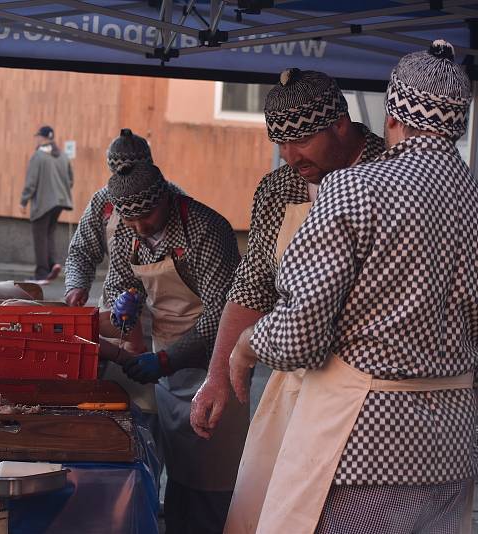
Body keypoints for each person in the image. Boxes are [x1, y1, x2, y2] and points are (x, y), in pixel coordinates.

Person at [226, 40, 476, 533]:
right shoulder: (471, 197)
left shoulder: (356, 187)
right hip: (454, 442)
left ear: (393, 119)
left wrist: (247, 343)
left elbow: (300, 335)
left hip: (366, 444)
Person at [187, 69, 384, 532]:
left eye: (302, 140)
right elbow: (252, 288)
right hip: (293, 386)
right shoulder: (278, 191)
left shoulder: (386, 172)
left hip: (369, 395)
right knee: (267, 515)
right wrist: (217, 376)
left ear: (340, 123)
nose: (290, 156)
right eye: (281, 142)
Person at [101, 161, 247, 533]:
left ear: (165, 197)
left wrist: (167, 359)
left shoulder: (206, 228)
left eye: (146, 216)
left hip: (217, 366)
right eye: (130, 220)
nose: (139, 227)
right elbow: (120, 280)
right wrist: (125, 301)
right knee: (180, 473)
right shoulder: (127, 232)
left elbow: (221, 315)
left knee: (212, 479)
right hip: (166, 367)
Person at [64, 128, 183, 307]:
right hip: (119, 303)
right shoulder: (102, 202)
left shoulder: (174, 199)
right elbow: (82, 251)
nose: (140, 228)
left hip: (172, 309)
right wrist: (76, 285)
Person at [20, 125, 73, 282]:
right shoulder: (63, 156)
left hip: (43, 203)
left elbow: (31, 182)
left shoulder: (38, 157)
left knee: (40, 236)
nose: (36, 139)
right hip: (60, 202)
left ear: (42, 138)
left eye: (37, 136)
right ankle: (53, 264)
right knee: (49, 233)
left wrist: (23, 202)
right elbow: (70, 180)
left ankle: (42, 273)